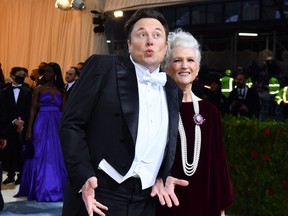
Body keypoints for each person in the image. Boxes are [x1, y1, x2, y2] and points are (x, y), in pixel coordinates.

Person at [59, 8, 182, 216]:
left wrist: (163, 175)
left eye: (157, 35)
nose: (150, 41)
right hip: (101, 192)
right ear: (128, 43)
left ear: (166, 46)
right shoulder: (103, 67)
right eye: (142, 34)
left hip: (146, 198)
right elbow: (71, 124)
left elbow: (165, 140)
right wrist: (83, 175)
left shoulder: (172, 89)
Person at [157, 29, 234, 216]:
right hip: (164, 200)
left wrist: (221, 208)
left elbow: (218, 163)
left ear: (197, 68)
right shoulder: (156, 107)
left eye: (190, 60)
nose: (185, 66)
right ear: (166, 67)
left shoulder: (210, 111)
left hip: (204, 202)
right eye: (177, 60)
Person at [14, 62, 67, 201]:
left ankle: (56, 187)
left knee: (56, 155)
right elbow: (32, 110)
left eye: (50, 72)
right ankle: (38, 187)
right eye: (46, 72)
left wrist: (64, 128)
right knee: (39, 154)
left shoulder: (62, 90)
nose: (47, 74)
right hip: (42, 122)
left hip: (57, 123)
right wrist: (29, 130)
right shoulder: (38, 89)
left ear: (56, 74)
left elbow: (64, 110)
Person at [0, 67, 32, 185]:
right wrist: (14, 121)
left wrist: (22, 121)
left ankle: (21, 175)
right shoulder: (4, 91)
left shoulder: (28, 91)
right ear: (12, 76)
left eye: (24, 75)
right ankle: (10, 175)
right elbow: (3, 110)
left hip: (23, 126)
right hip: (9, 125)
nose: (22, 77)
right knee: (10, 151)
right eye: (19, 75)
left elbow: (29, 109)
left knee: (21, 151)